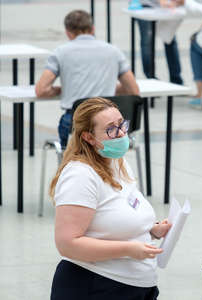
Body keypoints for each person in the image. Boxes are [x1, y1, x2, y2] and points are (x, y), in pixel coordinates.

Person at [49, 97, 171, 299]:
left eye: (122, 124)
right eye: (111, 129)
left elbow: (115, 219)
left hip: (135, 287)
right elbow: (67, 244)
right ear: (89, 137)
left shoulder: (117, 163)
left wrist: (150, 231)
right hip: (95, 286)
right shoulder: (80, 175)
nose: (122, 133)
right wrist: (128, 249)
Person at [35, 10, 139, 149]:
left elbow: (41, 90)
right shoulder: (113, 51)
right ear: (93, 29)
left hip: (76, 123)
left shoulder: (61, 52)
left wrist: (62, 89)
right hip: (111, 126)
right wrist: (108, 87)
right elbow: (133, 90)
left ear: (68, 32)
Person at [135, 0, 184, 85]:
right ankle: (151, 79)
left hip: (166, 6)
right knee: (147, 42)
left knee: (170, 39)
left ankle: (176, 79)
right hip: (145, 5)